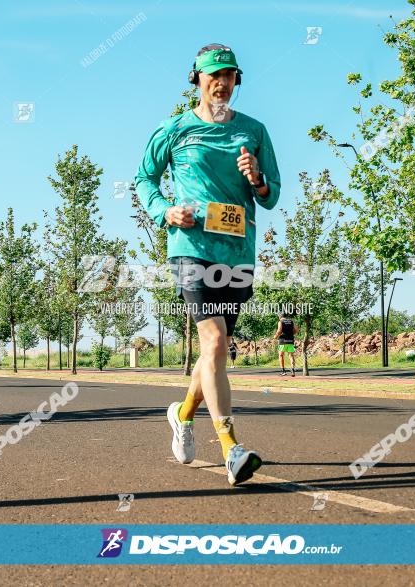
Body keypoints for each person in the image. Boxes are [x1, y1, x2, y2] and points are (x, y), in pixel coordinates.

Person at [135, 43, 280, 485]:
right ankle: (232, 449)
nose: (222, 83)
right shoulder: (174, 128)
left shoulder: (254, 131)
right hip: (190, 247)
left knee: (212, 353)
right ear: (196, 79)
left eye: (229, 76)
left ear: (237, 80)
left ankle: (181, 415)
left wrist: (255, 175)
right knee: (215, 343)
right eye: (213, 75)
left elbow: (271, 194)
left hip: (237, 251)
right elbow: (143, 178)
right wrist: (164, 210)